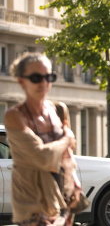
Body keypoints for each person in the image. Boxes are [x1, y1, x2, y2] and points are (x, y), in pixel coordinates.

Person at [4, 52, 79, 226]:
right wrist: (67, 138)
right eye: (36, 77)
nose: (44, 83)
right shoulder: (14, 116)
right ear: (21, 81)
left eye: (49, 77)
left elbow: (68, 153)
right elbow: (42, 157)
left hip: (60, 200)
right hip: (32, 206)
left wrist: (74, 185)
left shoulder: (54, 109)